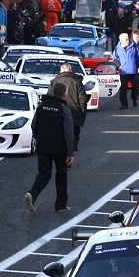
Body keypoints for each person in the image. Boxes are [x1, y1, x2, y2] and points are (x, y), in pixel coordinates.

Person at [24, 82, 75, 214]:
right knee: (61, 175)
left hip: (43, 146)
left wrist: (39, 139)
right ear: (65, 95)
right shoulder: (64, 109)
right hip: (60, 148)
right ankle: (60, 205)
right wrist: (70, 153)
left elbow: (34, 125)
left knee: (44, 173)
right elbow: (68, 132)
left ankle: (32, 194)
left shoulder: (42, 106)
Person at [48, 63, 88, 152]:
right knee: (73, 135)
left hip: (57, 113)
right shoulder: (76, 81)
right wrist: (82, 112)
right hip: (74, 115)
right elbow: (82, 98)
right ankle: (70, 153)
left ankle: (62, 153)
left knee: (60, 134)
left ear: (60, 71)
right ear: (71, 71)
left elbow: (49, 97)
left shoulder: (54, 81)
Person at [112, 32, 139, 110]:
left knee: (135, 87)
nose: (128, 40)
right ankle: (124, 104)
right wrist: (118, 66)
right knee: (123, 89)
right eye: (126, 39)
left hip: (133, 71)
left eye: (128, 38)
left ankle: (134, 98)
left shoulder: (133, 46)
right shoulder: (117, 48)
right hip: (123, 71)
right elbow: (115, 58)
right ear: (121, 40)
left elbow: (138, 57)